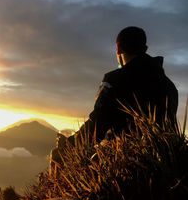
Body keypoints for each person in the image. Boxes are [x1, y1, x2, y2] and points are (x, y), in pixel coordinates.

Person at [50, 26, 178, 175]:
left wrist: (69, 145)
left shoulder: (116, 79)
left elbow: (97, 125)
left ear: (118, 49)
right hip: (166, 164)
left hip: (126, 164)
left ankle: (52, 196)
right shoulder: (169, 86)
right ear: (145, 48)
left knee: (57, 154)